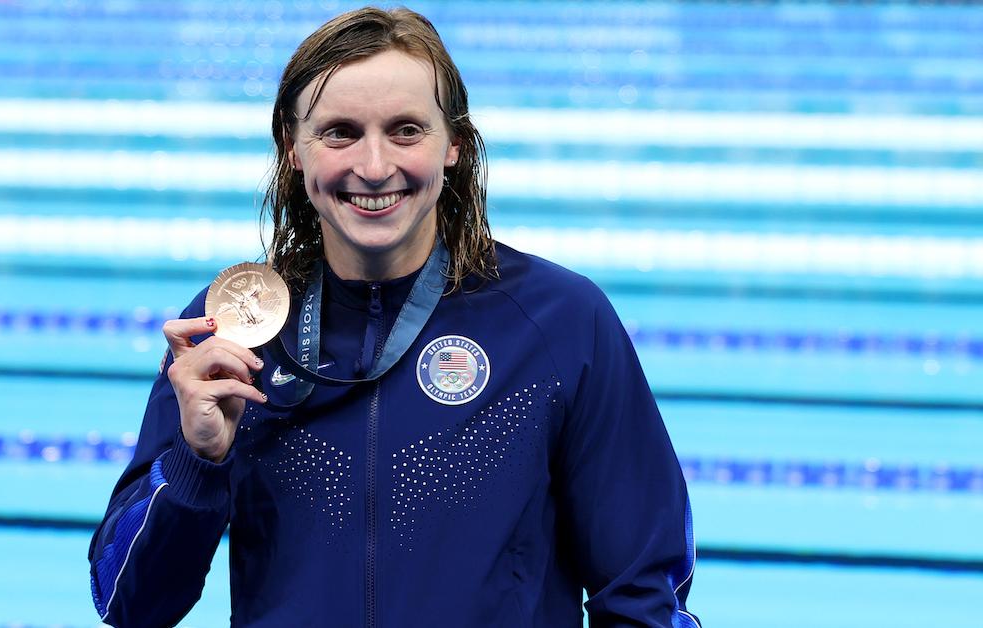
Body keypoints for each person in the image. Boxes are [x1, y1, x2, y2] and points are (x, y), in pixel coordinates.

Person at [89, 7, 699, 627]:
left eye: (406, 130)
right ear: (293, 149)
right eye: (340, 132)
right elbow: (129, 605)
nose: (375, 167)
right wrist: (197, 460)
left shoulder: (559, 322)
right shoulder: (232, 334)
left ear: (453, 144)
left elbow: (643, 596)